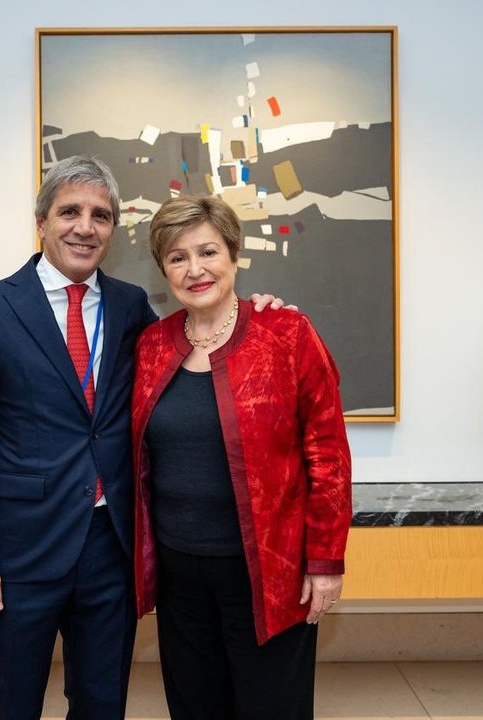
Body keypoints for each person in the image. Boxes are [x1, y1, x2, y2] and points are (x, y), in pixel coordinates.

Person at [0, 156, 285, 720]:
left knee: (102, 705)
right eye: (69, 212)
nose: (85, 227)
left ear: (113, 229)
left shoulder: (131, 308)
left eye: (100, 215)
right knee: (9, 705)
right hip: (19, 553)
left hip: (111, 549)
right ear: (41, 221)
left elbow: (204, 336)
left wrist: (262, 312)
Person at [131, 194, 352, 720]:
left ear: (234, 254)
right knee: (194, 706)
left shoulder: (288, 333)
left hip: (269, 572)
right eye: (178, 257)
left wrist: (324, 563)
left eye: (207, 252)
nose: (195, 269)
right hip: (180, 574)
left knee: (271, 706)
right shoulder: (152, 345)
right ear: (164, 270)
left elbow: (328, 456)